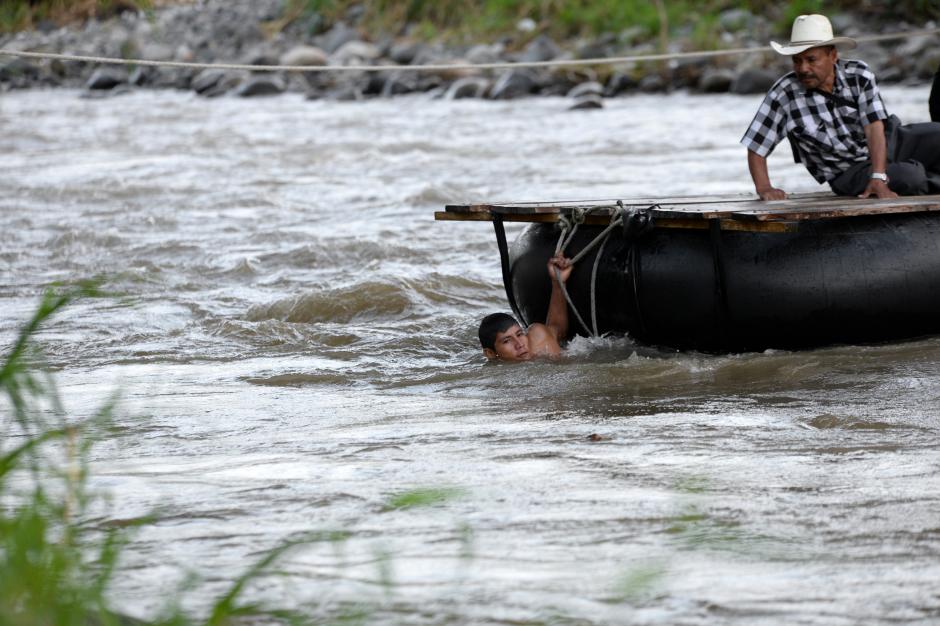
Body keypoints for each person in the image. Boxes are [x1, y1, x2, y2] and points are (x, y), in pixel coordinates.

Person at [741, 14, 940, 200]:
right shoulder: (783, 94)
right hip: (848, 171)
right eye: (797, 60)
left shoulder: (859, 74)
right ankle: (922, 177)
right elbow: (757, 146)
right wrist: (764, 188)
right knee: (910, 177)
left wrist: (878, 176)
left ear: (833, 56)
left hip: (890, 142)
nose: (803, 68)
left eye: (811, 60)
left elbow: (874, 127)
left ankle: (905, 175)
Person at [478, 253, 571, 362]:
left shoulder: (538, 339)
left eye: (520, 334)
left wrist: (558, 282)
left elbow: (559, 330)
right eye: (507, 341)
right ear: (491, 354)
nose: (520, 344)